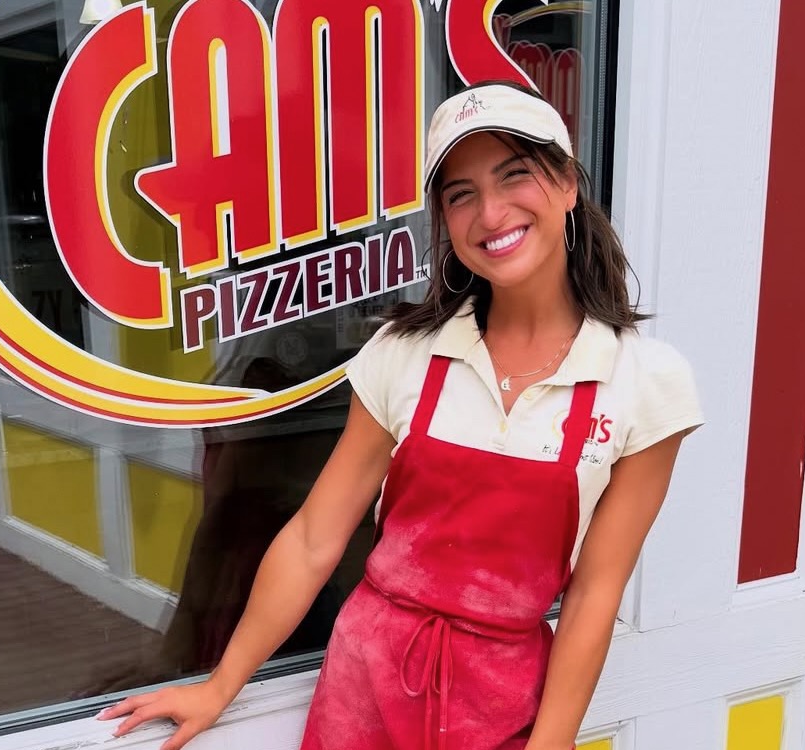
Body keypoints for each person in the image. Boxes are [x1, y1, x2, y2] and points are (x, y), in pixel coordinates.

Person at [96, 80, 704, 750]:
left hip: (500, 707)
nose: (490, 213)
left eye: (514, 176)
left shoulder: (646, 383)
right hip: (363, 687)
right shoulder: (403, 353)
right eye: (459, 194)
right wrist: (220, 684)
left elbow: (594, 593)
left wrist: (549, 745)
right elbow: (311, 540)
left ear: (565, 185)